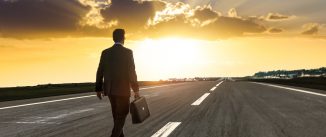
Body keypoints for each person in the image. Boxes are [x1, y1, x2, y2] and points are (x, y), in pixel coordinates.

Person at [95, 28, 140, 137]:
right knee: (122, 115)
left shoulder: (105, 52)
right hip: (123, 90)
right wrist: (136, 89)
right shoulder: (128, 53)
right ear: (123, 38)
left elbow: (100, 70)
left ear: (113, 38)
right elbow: (131, 72)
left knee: (116, 116)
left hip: (110, 90)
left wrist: (98, 88)